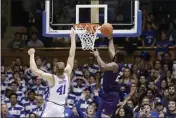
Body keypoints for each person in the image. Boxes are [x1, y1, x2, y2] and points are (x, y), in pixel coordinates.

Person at [28, 28, 76, 117]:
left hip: (51, 106)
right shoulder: (67, 73)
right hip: (61, 107)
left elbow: (34, 70)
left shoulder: (52, 78)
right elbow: (71, 55)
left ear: (55, 69)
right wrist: (73, 38)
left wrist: (31, 55)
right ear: (64, 69)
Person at [90, 36, 136, 115]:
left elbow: (103, 67)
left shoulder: (115, 65)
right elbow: (111, 50)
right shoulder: (118, 63)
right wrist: (110, 38)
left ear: (117, 56)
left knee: (107, 115)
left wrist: (97, 56)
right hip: (110, 92)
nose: (114, 53)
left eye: (116, 53)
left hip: (111, 95)